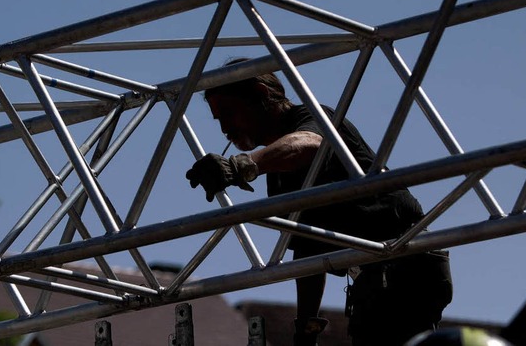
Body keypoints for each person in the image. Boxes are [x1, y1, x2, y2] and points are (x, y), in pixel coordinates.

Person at [185, 58, 453, 346]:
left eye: (229, 113)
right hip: (376, 273)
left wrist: (242, 165)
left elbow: (309, 143)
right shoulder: (278, 173)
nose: (225, 127)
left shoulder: (314, 118)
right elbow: (307, 251)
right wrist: (305, 329)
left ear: (262, 95)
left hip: (403, 262)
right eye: (218, 118)